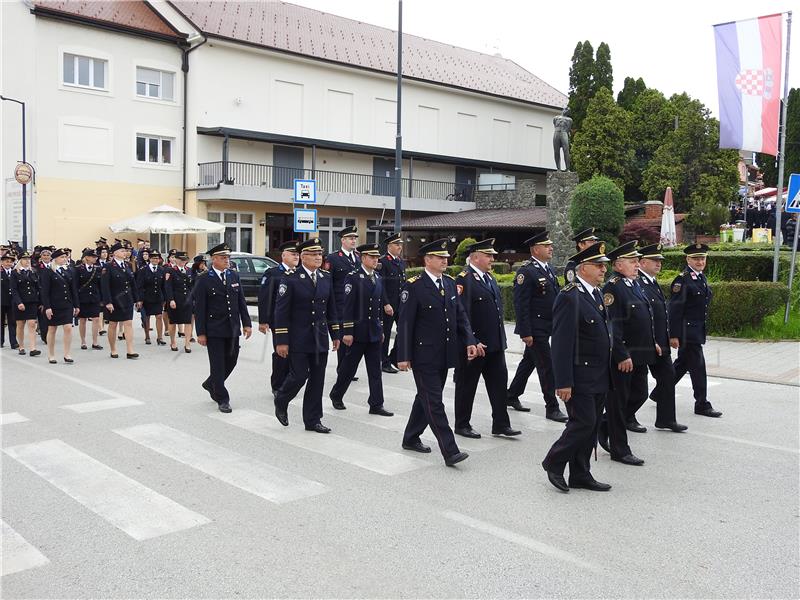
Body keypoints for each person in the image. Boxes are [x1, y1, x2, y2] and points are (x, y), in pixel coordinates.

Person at [397, 239, 479, 467]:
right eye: (440, 257)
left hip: (445, 353)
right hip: (423, 355)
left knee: (425, 397)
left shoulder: (450, 284)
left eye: (446, 257)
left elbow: (460, 315)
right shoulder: (413, 286)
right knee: (434, 402)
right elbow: (405, 323)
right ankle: (450, 450)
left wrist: (470, 340)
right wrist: (403, 355)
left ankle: (411, 436)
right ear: (427, 260)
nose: (445, 260)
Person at [541, 241, 613, 493]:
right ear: (583, 268)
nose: (604, 270)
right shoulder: (569, 296)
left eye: (604, 266)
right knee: (583, 423)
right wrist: (563, 382)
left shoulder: (595, 294)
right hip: (579, 374)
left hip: (598, 374)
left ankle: (581, 473)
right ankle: (553, 461)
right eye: (598, 266)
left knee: (591, 426)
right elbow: (560, 343)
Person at [453, 239, 520, 438]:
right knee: (467, 385)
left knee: (499, 384)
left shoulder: (489, 278)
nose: (492, 258)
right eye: (488, 255)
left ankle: (500, 423)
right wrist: (470, 340)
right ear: (475, 257)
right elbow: (461, 313)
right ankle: (462, 424)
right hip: (476, 345)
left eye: (492, 255)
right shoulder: (464, 279)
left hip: (494, 343)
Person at [273, 237, 341, 432]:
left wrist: (335, 333)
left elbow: (331, 308)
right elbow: (281, 312)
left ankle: (312, 420)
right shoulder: (290, 278)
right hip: (298, 338)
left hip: (319, 337)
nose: (318, 257)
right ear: (303, 256)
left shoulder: (326, 277)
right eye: (314, 254)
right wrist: (281, 341)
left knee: (318, 380)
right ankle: (282, 399)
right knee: (299, 376)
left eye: (320, 253)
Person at [596, 241, 653, 467]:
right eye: (632, 261)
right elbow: (613, 325)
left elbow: (643, 318)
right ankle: (620, 449)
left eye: (637, 261)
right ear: (618, 264)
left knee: (640, 394)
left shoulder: (633, 283)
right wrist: (620, 354)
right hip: (623, 356)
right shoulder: (613, 287)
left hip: (640, 353)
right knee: (618, 403)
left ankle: (605, 424)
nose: (637, 265)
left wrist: (654, 343)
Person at [507, 231, 567, 421]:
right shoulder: (526, 271)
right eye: (546, 245)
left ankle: (511, 395)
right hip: (535, 328)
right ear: (535, 249)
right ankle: (552, 407)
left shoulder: (547, 269)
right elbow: (521, 304)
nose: (551, 248)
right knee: (546, 366)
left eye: (551, 245)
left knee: (529, 362)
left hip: (548, 325)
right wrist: (525, 331)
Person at [328, 242, 394, 416]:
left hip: (373, 332)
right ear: (363, 258)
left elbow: (378, 306)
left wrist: (380, 330)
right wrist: (347, 331)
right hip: (357, 333)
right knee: (349, 368)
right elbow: (348, 307)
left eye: (376, 257)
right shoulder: (353, 277)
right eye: (371, 257)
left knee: (375, 370)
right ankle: (336, 394)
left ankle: (376, 404)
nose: (375, 260)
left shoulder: (377, 277)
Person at [194, 243, 252, 413]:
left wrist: (247, 323)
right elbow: (200, 308)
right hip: (214, 329)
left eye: (228, 257)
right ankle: (222, 398)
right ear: (214, 259)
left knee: (232, 360)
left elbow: (241, 301)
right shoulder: (204, 278)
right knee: (218, 364)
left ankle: (211, 383)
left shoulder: (233, 275)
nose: (227, 260)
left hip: (232, 327)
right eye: (223, 257)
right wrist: (201, 333)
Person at [636, 244, 687, 432]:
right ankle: (625, 417)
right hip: (646, 343)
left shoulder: (651, 281)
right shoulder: (638, 282)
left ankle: (666, 419)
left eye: (660, 261)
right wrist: (652, 340)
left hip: (660, 341)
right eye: (654, 261)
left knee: (667, 377)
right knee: (637, 386)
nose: (658, 264)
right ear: (642, 262)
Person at [668, 243, 721, 418]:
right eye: (696, 258)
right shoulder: (682, 280)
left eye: (702, 258)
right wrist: (673, 335)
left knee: (683, 363)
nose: (700, 262)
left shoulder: (699, 277)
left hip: (696, 330)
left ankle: (659, 392)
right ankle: (702, 404)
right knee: (698, 367)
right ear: (688, 259)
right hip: (687, 332)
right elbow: (675, 309)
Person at [257, 240, 300, 394]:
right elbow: (265, 298)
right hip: (279, 321)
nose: (296, 256)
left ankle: (289, 382)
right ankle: (277, 384)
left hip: (297, 321)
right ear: (283, 255)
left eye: (298, 254)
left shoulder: (300, 273)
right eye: (293, 254)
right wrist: (263, 321)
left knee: (295, 353)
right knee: (281, 353)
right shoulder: (273, 273)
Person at [327, 225, 360, 382]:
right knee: (343, 338)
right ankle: (342, 369)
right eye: (350, 238)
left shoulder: (359, 257)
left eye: (355, 238)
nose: (353, 240)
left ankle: (349, 369)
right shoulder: (333, 258)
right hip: (340, 305)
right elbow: (329, 283)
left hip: (356, 306)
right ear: (343, 240)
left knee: (354, 338)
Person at [39, 248, 80, 364]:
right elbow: (45, 291)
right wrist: (47, 307)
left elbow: (73, 290)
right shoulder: (48, 271)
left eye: (66, 257)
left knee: (68, 328)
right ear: (55, 259)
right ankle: (51, 354)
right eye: (62, 257)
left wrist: (76, 305)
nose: (65, 259)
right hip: (54, 305)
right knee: (52, 329)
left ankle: (67, 354)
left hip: (67, 304)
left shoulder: (69, 271)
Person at [101, 241, 139, 359]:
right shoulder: (108, 266)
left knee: (128, 323)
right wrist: (108, 302)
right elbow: (105, 286)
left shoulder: (127, 265)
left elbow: (133, 283)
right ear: (115, 253)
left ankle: (130, 350)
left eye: (126, 251)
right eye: (122, 251)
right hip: (114, 300)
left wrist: (137, 299)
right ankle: (113, 349)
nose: (125, 253)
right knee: (113, 324)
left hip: (127, 300)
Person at [378, 232, 406, 373]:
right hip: (388, 305)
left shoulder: (401, 262)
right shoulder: (383, 262)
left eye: (400, 244)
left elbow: (403, 283)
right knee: (386, 334)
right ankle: (384, 362)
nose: (399, 246)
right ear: (389, 246)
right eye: (396, 244)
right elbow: (380, 286)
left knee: (404, 331)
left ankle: (394, 357)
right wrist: (385, 303)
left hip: (400, 304)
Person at [10, 251, 41, 357]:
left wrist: (40, 302)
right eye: (24, 259)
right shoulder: (15, 273)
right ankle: (21, 346)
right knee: (20, 324)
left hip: (32, 302)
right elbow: (13, 289)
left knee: (32, 324)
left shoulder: (33, 271)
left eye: (28, 259)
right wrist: (19, 302)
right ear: (20, 260)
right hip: (20, 302)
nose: (27, 261)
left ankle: (33, 348)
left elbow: (38, 287)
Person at [164, 251, 194, 353]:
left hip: (187, 300)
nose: (183, 262)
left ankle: (187, 343)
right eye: (181, 260)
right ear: (176, 260)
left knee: (188, 322)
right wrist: (171, 300)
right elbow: (168, 287)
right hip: (175, 300)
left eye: (185, 260)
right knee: (173, 322)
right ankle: (173, 342)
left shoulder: (189, 271)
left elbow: (192, 286)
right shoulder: (170, 271)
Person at [136, 250, 167, 345]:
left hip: (158, 297)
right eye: (153, 258)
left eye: (157, 258)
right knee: (146, 317)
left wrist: (165, 298)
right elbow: (139, 286)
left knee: (159, 316)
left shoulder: (162, 270)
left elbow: (164, 286)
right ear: (149, 259)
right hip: (146, 297)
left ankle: (160, 337)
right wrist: (139, 300)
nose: (155, 260)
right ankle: (147, 336)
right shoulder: (143, 270)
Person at [75, 248, 104, 351]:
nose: (95, 258)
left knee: (96, 319)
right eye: (93, 256)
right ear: (86, 257)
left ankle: (95, 342)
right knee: (82, 320)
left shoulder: (98, 269)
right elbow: (75, 285)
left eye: (96, 257)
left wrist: (102, 298)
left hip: (94, 298)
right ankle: (83, 341)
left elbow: (100, 284)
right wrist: (76, 301)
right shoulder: (78, 269)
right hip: (82, 298)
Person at [1, 251, 18, 349]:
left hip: (12, 301)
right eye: (6, 261)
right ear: (2, 262)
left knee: (12, 322)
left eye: (10, 262)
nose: (9, 264)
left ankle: (13, 342)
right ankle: (0, 341)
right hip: (1, 301)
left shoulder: (15, 272)